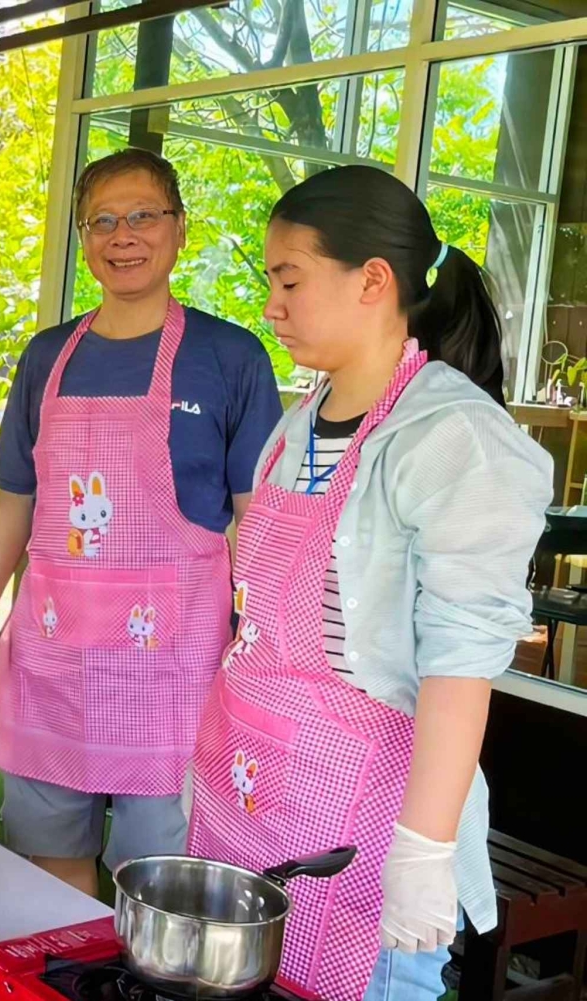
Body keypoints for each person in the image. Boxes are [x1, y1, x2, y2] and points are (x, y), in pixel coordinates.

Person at [185, 164, 551, 1001]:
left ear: (373, 280)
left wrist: (424, 850)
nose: (271, 305)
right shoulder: (299, 422)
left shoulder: (451, 437)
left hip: (362, 834)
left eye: (290, 280)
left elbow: (461, 664)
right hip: (253, 797)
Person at [0, 148, 283, 896]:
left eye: (142, 216)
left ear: (180, 228)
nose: (122, 235)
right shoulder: (48, 356)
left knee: (155, 877)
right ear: (82, 237)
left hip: (174, 665)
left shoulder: (229, 357)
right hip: (55, 653)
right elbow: (15, 494)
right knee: (49, 855)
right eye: (102, 221)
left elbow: (253, 515)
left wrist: (257, 636)